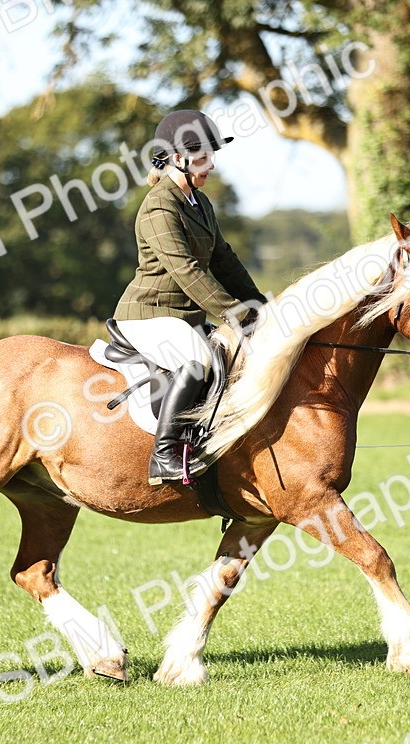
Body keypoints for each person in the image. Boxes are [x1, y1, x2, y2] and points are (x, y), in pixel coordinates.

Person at [113, 109, 266, 485]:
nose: (211, 165)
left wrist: (260, 305)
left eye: (211, 156)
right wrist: (235, 313)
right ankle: (163, 456)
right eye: (203, 157)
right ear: (176, 159)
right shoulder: (158, 206)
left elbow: (224, 260)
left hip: (182, 317)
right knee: (197, 360)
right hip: (148, 315)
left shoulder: (199, 204)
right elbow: (187, 272)